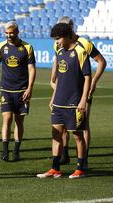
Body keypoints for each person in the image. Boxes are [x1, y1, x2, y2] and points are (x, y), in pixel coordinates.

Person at [50, 16, 106, 166]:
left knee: (82, 125)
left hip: (82, 91)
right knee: (62, 126)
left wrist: (94, 81)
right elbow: (58, 60)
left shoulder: (84, 44)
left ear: (70, 28)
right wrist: (53, 78)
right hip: (65, 91)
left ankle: (83, 159)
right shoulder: (59, 44)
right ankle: (65, 153)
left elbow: (101, 61)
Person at [37, 23, 91, 179]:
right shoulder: (59, 51)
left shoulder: (81, 52)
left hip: (75, 102)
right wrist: (53, 98)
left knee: (77, 135)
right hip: (59, 102)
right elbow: (59, 79)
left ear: (67, 36)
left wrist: (83, 100)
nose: (57, 42)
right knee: (56, 134)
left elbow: (87, 78)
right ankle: (55, 168)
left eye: (58, 38)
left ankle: (80, 168)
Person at [0, 21, 36, 162]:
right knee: (7, 119)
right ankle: (5, 150)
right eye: (6, 33)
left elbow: (32, 69)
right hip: (6, 90)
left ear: (17, 32)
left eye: (11, 33)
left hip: (22, 91)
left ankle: (16, 151)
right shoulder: (0, 47)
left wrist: (30, 88)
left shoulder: (27, 47)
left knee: (19, 121)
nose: (9, 35)